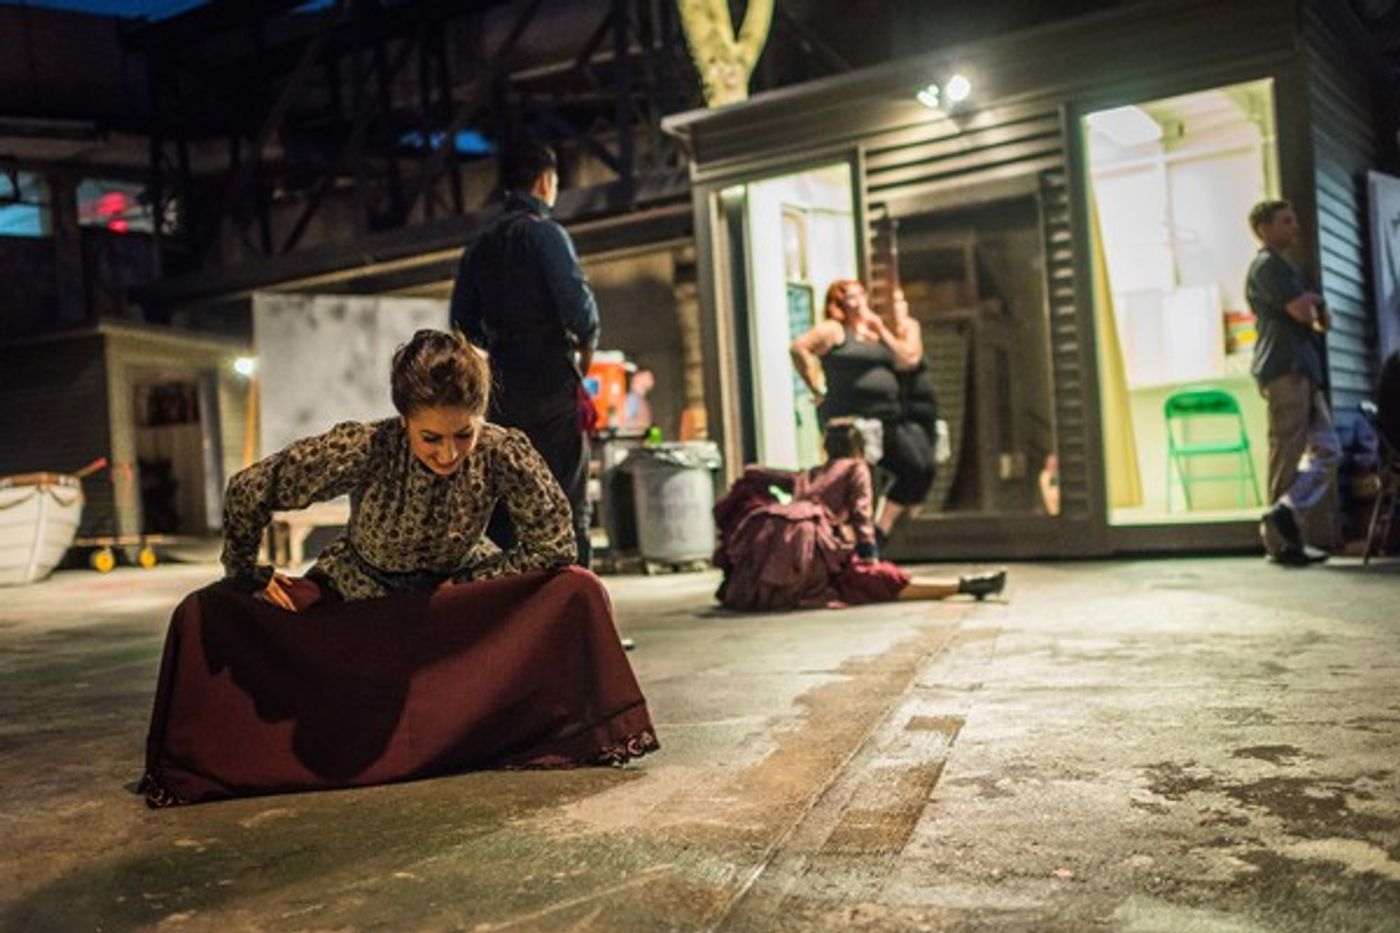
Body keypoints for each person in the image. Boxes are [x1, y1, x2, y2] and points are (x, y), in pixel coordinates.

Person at [138, 330, 657, 807]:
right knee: (205, 612)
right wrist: (247, 571)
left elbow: (555, 541)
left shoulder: (504, 451)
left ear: (480, 417)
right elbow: (250, 488)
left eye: (463, 435)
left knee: (578, 589)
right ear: (404, 419)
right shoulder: (368, 447)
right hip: (363, 598)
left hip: (453, 604)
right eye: (431, 438)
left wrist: (472, 581)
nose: (449, 453)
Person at [451, 139, 598, 566]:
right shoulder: (545, 233)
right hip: (550, 378)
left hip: (501, 388)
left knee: (507, 506)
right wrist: (583, 356)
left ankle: (514, 613)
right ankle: (578, 614)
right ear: (545, 181)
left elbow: (462, 324)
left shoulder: (478, 247)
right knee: (566, 504)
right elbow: (579, 307)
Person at [713, 421, 1005, 611]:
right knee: (879, 580)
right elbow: (862, 513)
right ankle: (966, 585)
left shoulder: (810, 473)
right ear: (857, 447)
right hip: (825, 550)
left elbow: (755, 472)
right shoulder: (855, 468)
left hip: (795, 549)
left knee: (867, 584)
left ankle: (967, 584)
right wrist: (869, 553)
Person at [790, 279, 937, 547]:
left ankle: (877, 533)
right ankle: (851, 541)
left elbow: (907, 360)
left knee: (919, 467)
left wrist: (881, 329)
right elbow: (799, 347)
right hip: (852, 420)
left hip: (888, 418)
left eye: (860, 294)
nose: (857, 300)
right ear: (838, 302)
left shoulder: (873, 330)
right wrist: (815, 383)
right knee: (854, 481)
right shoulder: (834, 330)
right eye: (849, 296)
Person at [1246, 199, 1340, 565]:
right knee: (1286, 454)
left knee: (1329, 451)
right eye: (1286, 221)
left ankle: (1285, 514)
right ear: (1264, 228)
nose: (1295, 228)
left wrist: (1313, 305)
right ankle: (1282, 544)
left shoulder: (1290, 270)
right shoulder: (1267, 267)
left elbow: (1324, 321)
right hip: (1284, 368)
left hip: (1305, 370)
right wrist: (1312, 303)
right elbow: (1305, 312)